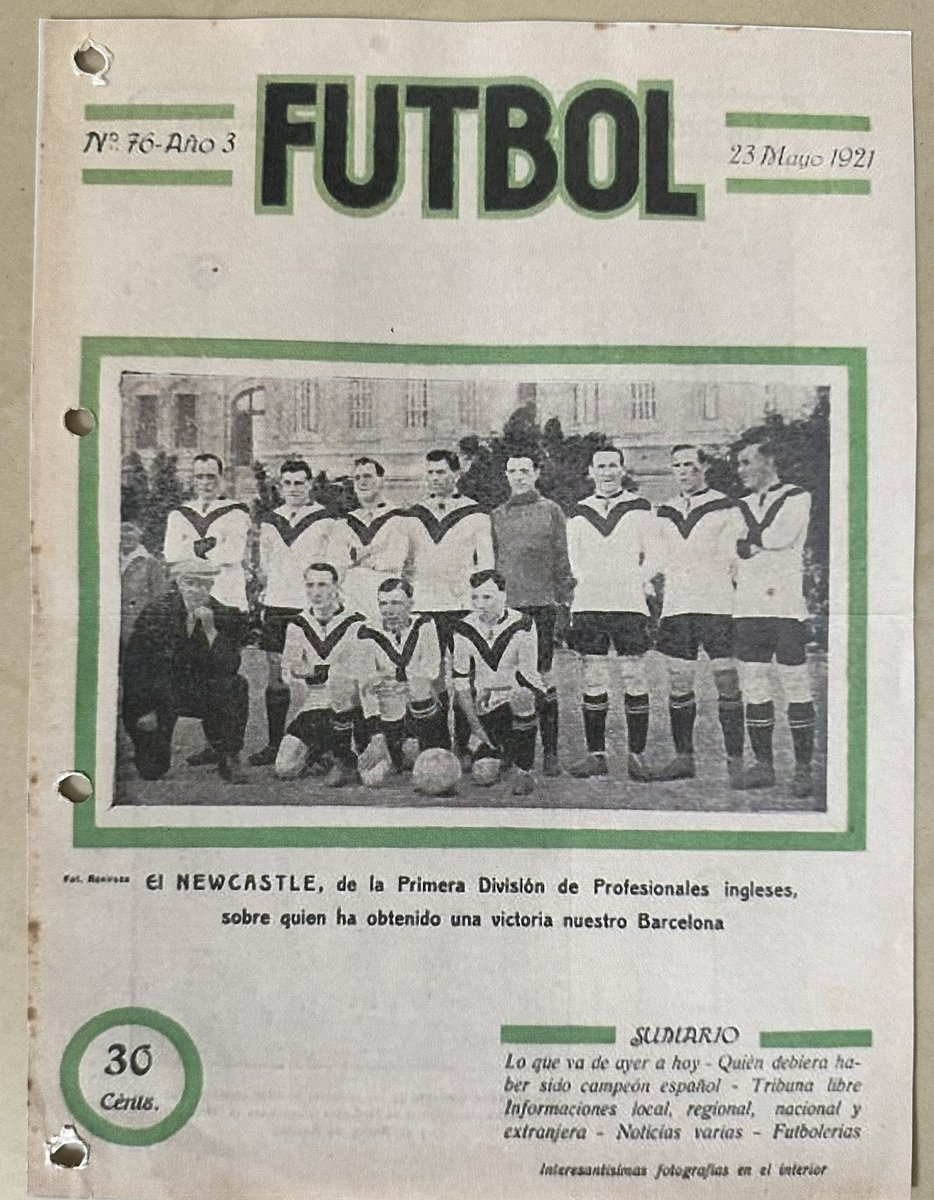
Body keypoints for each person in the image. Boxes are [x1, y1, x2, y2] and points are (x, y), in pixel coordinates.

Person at [652, 445, 748, 786]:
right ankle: (683, 758)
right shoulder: (663, 511)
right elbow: (656, 559)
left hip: (718, 605)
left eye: (690, 465)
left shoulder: (727, 507)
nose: (683, 472)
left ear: (704, 467)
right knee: (679, 682)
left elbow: (736, 559)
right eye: (676, 466)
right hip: (678, 607)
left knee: (726, 680)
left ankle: (735, 762)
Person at [565, 447, 657, 781]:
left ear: (622, 469)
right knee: (593, 677)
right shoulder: (578, 512)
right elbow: (573, 560)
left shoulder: (641, 507)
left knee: (634, 675)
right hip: (590, 604)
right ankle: (596, 755)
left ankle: (637, 756)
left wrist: (634, 581)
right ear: (591, 470)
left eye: (613, 466)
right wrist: (589, 584)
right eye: (601, 466)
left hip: (629, 604)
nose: (607, 472)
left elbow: (655, 555)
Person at [733, 436, 815, 797]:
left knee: (795, 683)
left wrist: (751, 543)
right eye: (739, 463)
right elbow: (733, 548)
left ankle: (803, 770)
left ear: (769, 461)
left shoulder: (797, 497)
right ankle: (764, 765)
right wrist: (751, 544)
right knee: (753, 683)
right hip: (749, 607)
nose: (741, 470)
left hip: (785, 608)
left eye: (747, 462)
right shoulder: (740, 505)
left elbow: (779, 536)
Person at [121, 559, 249, 784]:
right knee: (152, 770)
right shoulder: (157, 612)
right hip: (158, 693)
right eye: (190, 583)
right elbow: (136, 666)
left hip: (199, 690)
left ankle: (228, 754)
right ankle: (148, 746)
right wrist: (145, 710)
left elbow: (229, 665)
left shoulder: (224, 614)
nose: (196, 590)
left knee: (235, 684)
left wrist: (210, 630)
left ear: (211, 587)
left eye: (204, 585)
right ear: (179, 583)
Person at [162, 453, 251, 766]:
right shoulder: (179, 514)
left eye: (211, 477)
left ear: (221, 478)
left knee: (225, 674)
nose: (205, 483)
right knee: (198, 672)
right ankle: (214, 743)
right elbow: (171, 552)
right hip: (192, 602)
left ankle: (230, 751)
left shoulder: (237, 512)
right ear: (193, 479)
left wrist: (193, 550)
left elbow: (233, 552)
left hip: (227, 600)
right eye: (200, 477)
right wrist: (208, 546)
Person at [491, 452, 574, 776]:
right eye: (512, 470)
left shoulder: (551, 511)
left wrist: (564, 606)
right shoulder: (496, 515)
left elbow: (563, 562)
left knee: (542, 679)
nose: (519, 476)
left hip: (541, 606)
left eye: (525, 470)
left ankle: (550, 752)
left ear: (536, 473)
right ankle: (511, 751)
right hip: (507, 609)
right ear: (506, 475)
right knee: (509, 680)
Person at [408, 449, 494, 762]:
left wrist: (481, 606)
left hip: (461, 606)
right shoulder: (413, 514)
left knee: (463, 677)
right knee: (431, 675)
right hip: (424, 605)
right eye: (430, 473)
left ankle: (466, 744)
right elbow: (407, 563)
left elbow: (486, 564)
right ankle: (436, 744)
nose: (435, 478)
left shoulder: (476, 513)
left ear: (455, 474)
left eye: (441, 472)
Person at [250, 459, 338, 767]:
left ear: (310, 484)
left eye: (299, 482)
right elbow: (265, 566)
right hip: (277, 605)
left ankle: (323, 747)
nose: (293, 488)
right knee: (276, 677)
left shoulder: (326, 520)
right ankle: (275, 744)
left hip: (309, 608)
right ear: (279, 486)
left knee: (316, 677)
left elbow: (331, 566)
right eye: (287, 483)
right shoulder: (270, 521)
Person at [451, 569, 545, 797]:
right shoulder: (463, 628)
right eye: (475, 598)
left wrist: (508, 696)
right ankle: (498, 748)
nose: (479, 604)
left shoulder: (523, 623)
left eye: (487, 597)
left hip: (516, 696)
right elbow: (461, 682)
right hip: (485, 705)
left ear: (503, 596)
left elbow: (529, 675)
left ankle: (524, 771)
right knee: (483, 775)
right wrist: (476, 727)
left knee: (522, 696)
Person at [275, 562, 365, 787]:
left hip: (348, 707)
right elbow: (289, 669)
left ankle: (342, 753)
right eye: (310, 585)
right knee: (285, 769)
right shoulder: (297, 624)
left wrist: (315, 672)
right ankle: (322, 751)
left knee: (368, 775)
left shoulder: (356, 623)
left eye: (323, 585)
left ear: (336, 586)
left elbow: (359, 671)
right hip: (313, 705)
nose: (316, 592)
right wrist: (300, 673)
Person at [354, 577, 447, 776]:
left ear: (410, 604)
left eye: (396, 603)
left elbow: (431, 670)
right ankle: (389, 747)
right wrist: (376, 735)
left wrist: (394, 681)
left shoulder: (425, 624)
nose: (388, 610)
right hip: (386, 712)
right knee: (373, 778)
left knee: (421, 687)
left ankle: (424, 747)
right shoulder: (367, 632)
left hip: (417, 706)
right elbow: (366, 685)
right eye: (383, 603)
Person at [328, 457, 413, 621]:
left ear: (381, 480)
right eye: (357, 478)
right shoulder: (344, 523)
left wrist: (357, 557)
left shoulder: (400, 518)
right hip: (351, 601)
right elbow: (336, 564)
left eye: (367, 476)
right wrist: (372, 553)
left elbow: (394, 561)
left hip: (386, 599)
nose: (362, 482)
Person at [119, 521, 165, 648]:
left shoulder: (150, 563)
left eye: (131, 537)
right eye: (123, 537)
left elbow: (158, 594)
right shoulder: (113, 559)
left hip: (136, 619)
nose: (127, 540)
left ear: (139, 538)